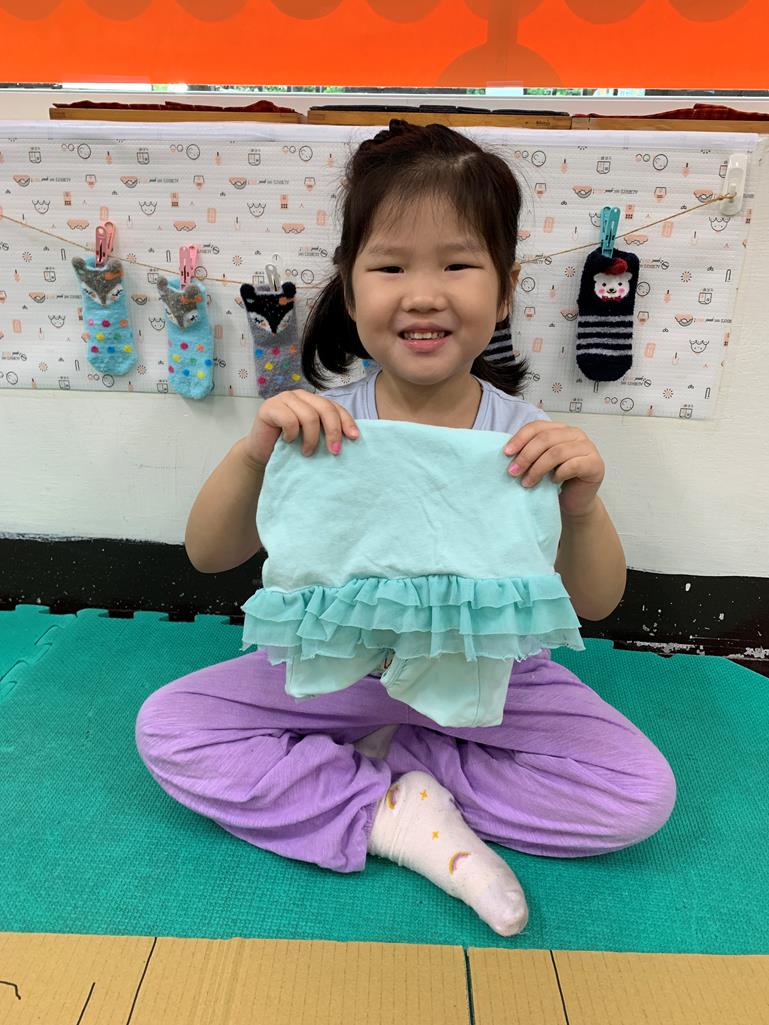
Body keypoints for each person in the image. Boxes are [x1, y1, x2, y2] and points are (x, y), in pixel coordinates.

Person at [135, 119, 677, 938]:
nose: (423, 293)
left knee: (639, 795)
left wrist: (581, 504)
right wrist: (253, 452)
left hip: (494, 676)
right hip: (343, 669)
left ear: (504, 290)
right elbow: (209, 553)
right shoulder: (319, 424)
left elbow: (596, 603)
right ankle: (396, 813)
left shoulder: (525, 436)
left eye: (457, 264)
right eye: (390, 267)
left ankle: (397, 761)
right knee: (168, 726)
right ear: (351, 292)